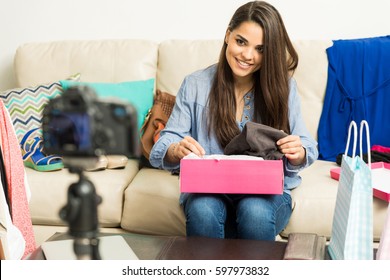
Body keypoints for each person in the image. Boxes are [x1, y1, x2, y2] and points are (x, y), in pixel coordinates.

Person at [149, 1, 318, 240]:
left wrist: (297, 152)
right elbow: (164, 145)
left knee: (255, 212)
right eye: (241, 42)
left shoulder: (284, 88)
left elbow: (307, 146)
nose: (248, 55)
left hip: (265, 193)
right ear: (228, 35)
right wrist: (176, 149)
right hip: (208, 190)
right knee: (203, 211)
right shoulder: (195, 84)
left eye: (260, 49)